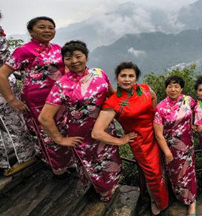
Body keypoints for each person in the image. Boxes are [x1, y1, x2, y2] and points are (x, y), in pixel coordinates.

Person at [39, 40, 122, 201]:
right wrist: (60, 139)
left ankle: (110, 186)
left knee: (109, 161)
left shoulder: (99, 73)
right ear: (64, 61)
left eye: (78, 56)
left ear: (86, 57)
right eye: (69, 58)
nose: (74, 61)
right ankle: (103, 193)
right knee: (93, 165)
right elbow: (44, 117)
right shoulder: (61, 85)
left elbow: (112, 96)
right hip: (82, 134)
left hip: (105, 129)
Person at [92, 62, 168, 215]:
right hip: (140, 142)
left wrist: (156, 120)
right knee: (153, 174)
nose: (127, 79)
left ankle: (160, 196)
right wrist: (120, 140)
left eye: (131, 76)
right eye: (123, 76)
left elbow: (154, 98)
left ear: (136, 78)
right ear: (117, 78)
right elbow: (97, 132)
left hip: (156, 134)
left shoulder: (145, 89)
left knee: (162, 167)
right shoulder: (113, 102)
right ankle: (158, 201)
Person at [0, 16, 71, 174]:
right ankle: (57, 168)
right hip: (38, 101)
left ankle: (67, 162)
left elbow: (66, 71)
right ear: (31, 31)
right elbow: (2, 74)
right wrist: (12, 99)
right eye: (42, 27)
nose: (47, 30)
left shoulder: (58, 48)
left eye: (51, 27)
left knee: (63, 129)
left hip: (60, 98)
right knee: (47, 133)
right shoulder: (23, 51)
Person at [154, 75, 197, 216]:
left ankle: (191, 201)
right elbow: (158, 134)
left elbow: (199, 109)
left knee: (189, 173)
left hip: (188, 144)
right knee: (176, 175)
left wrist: (196, 124)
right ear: (166, 88)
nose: (173, 89)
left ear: (181, 88)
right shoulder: (160, 108)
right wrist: (167, 152)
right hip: (171, 148)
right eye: (170, 86)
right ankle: (180, 197)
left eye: (176, 86)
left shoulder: (188, 100)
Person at [0, 12, 37, 176]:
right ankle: (7, 160)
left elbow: (4, 61)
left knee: (11, 124)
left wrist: (10, 97)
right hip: (6, 81)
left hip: (3, 85)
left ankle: (24, 158)